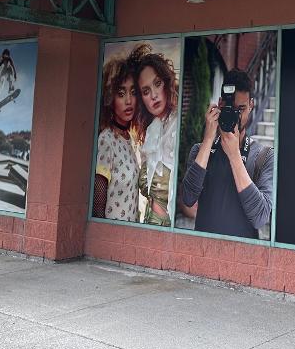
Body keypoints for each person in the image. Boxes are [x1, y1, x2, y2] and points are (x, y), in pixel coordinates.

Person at [180, 69, 274, 239]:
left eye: (241, 109)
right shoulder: (201, 151)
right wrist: (208, 139)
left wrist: (234, 155)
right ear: (219, 104)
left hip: (243, 254)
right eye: (230, 108)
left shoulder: (264, 157)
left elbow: (260, 218)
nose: (234, 115)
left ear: (251, 105)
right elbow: (188, 198)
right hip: (203, 249)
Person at [93, 53, 142, 221]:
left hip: (129, 230)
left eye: (133, 92)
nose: (129, 100)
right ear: (110, 99)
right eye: (121, 93)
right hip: (111, 232)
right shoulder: (106, 140)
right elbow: (98, 207)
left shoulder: (129, 139)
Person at [134, 47, 179, 226]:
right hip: (150, 221)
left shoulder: (177, 124)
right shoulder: (151, 130)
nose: (153, 95)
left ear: (166, 83)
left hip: (170, 226)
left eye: (157, 83)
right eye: (146, 91)